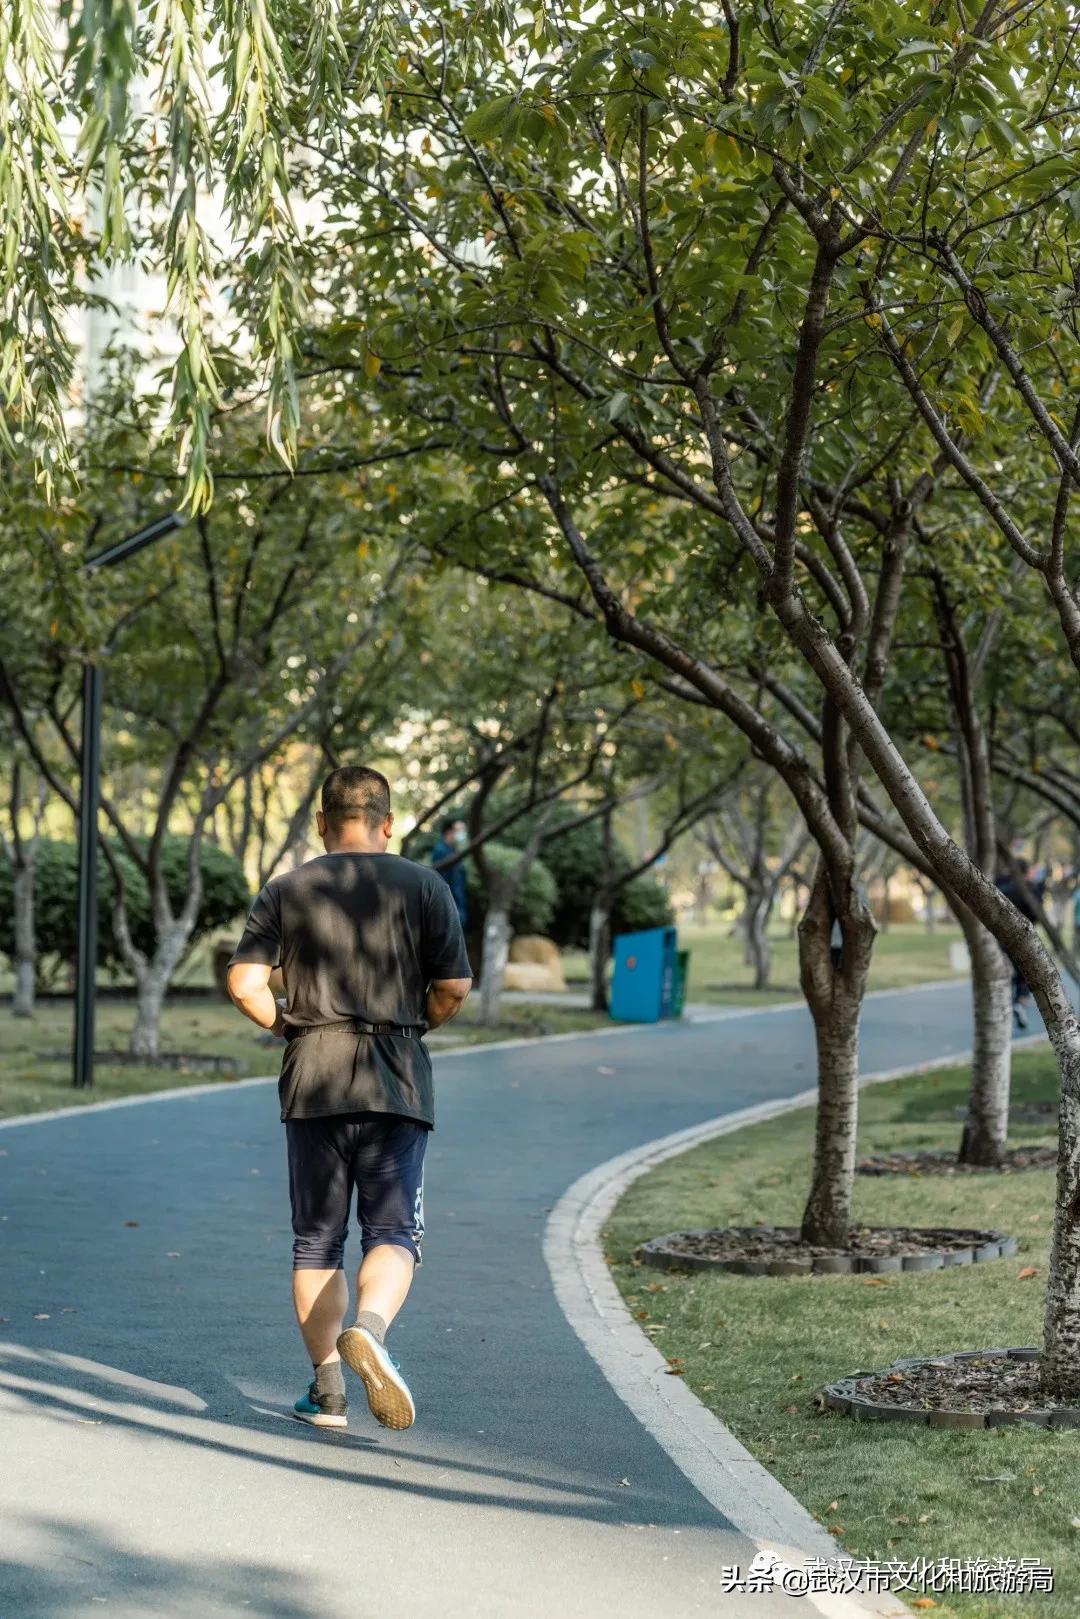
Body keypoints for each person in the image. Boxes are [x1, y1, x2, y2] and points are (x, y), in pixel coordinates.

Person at [227, 765, 473, 1432]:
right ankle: (368, 1328)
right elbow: (453, 987)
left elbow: (246, 982)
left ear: (321, 825)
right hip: (397, 1079)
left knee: (316, 1243)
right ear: (387, 822)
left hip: (314, 1076)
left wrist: (288, 1025)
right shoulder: (424, 885)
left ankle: (327, 1389)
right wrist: (414, 1024)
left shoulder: (288, 887)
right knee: (393, 1230)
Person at [996, 857, 1045, 1030]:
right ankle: (1019, 1004)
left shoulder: (1001, 888)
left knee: (1013, 973)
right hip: (1024, 938)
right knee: (1025, 975)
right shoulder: (1030, 891)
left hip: (1002, 937)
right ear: (1026, 871)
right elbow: (1037, 913)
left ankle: (1012, 1004)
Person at [431, 816, 470, 930]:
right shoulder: (440, 851)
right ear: (449, 832)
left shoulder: (452, 850)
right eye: (458, 831)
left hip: (458, 904)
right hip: (450, 906)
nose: (461, 834)